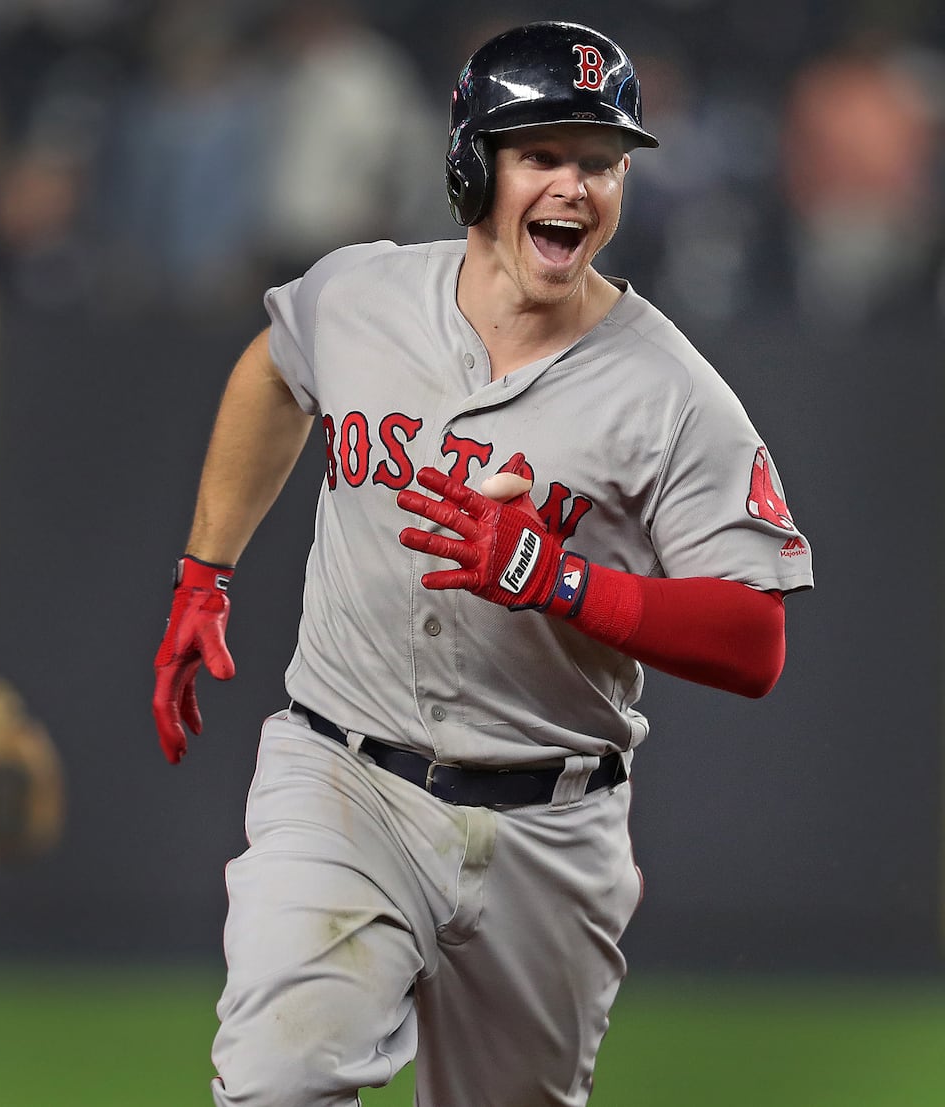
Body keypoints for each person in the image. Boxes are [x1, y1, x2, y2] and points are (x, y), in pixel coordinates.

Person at [151, 21, 812, 1107]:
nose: (577, 185)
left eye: (600, 162)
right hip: (343, 775)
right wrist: (203, 573)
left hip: (550, 825)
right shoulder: (358, 297)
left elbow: (757, 642)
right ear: (473, 166)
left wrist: (560, 582)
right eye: (542, 154)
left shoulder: (672, 393)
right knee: (277, 1085)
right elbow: (276, 373)